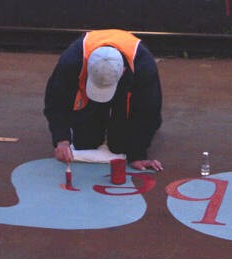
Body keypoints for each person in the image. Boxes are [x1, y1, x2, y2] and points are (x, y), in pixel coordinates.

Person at [44, 29, 163, 171]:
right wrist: (61, 139)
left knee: (119, 147)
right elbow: (55, 101)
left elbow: (149, 113)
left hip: (126, 86)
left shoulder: (144, 67)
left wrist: (138, 155)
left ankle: (116, 130)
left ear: (123, 72)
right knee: (85, 142)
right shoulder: (71, 61)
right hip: (88, 89)